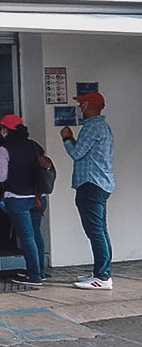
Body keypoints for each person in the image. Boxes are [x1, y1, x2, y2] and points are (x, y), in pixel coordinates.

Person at [61, 91, 115, 290]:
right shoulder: (102, 127)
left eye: (81, 103)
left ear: (89, 106)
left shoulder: (93, 128)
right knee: (100, 230)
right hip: (100, 184)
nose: (79, 107)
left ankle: (102, 276)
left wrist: (67, 138)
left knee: (96, 232)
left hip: (91, 185)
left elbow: (76, 153)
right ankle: (101, 272)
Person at [0, 115, 47, 287]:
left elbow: (1, 176)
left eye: (2, 128)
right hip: (38, 198)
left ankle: (34, 276)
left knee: (27, 238)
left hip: (17, 199)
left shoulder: (4, 149)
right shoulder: (35, 146)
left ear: (6, 130)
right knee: (37, 234)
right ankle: (40, 271)